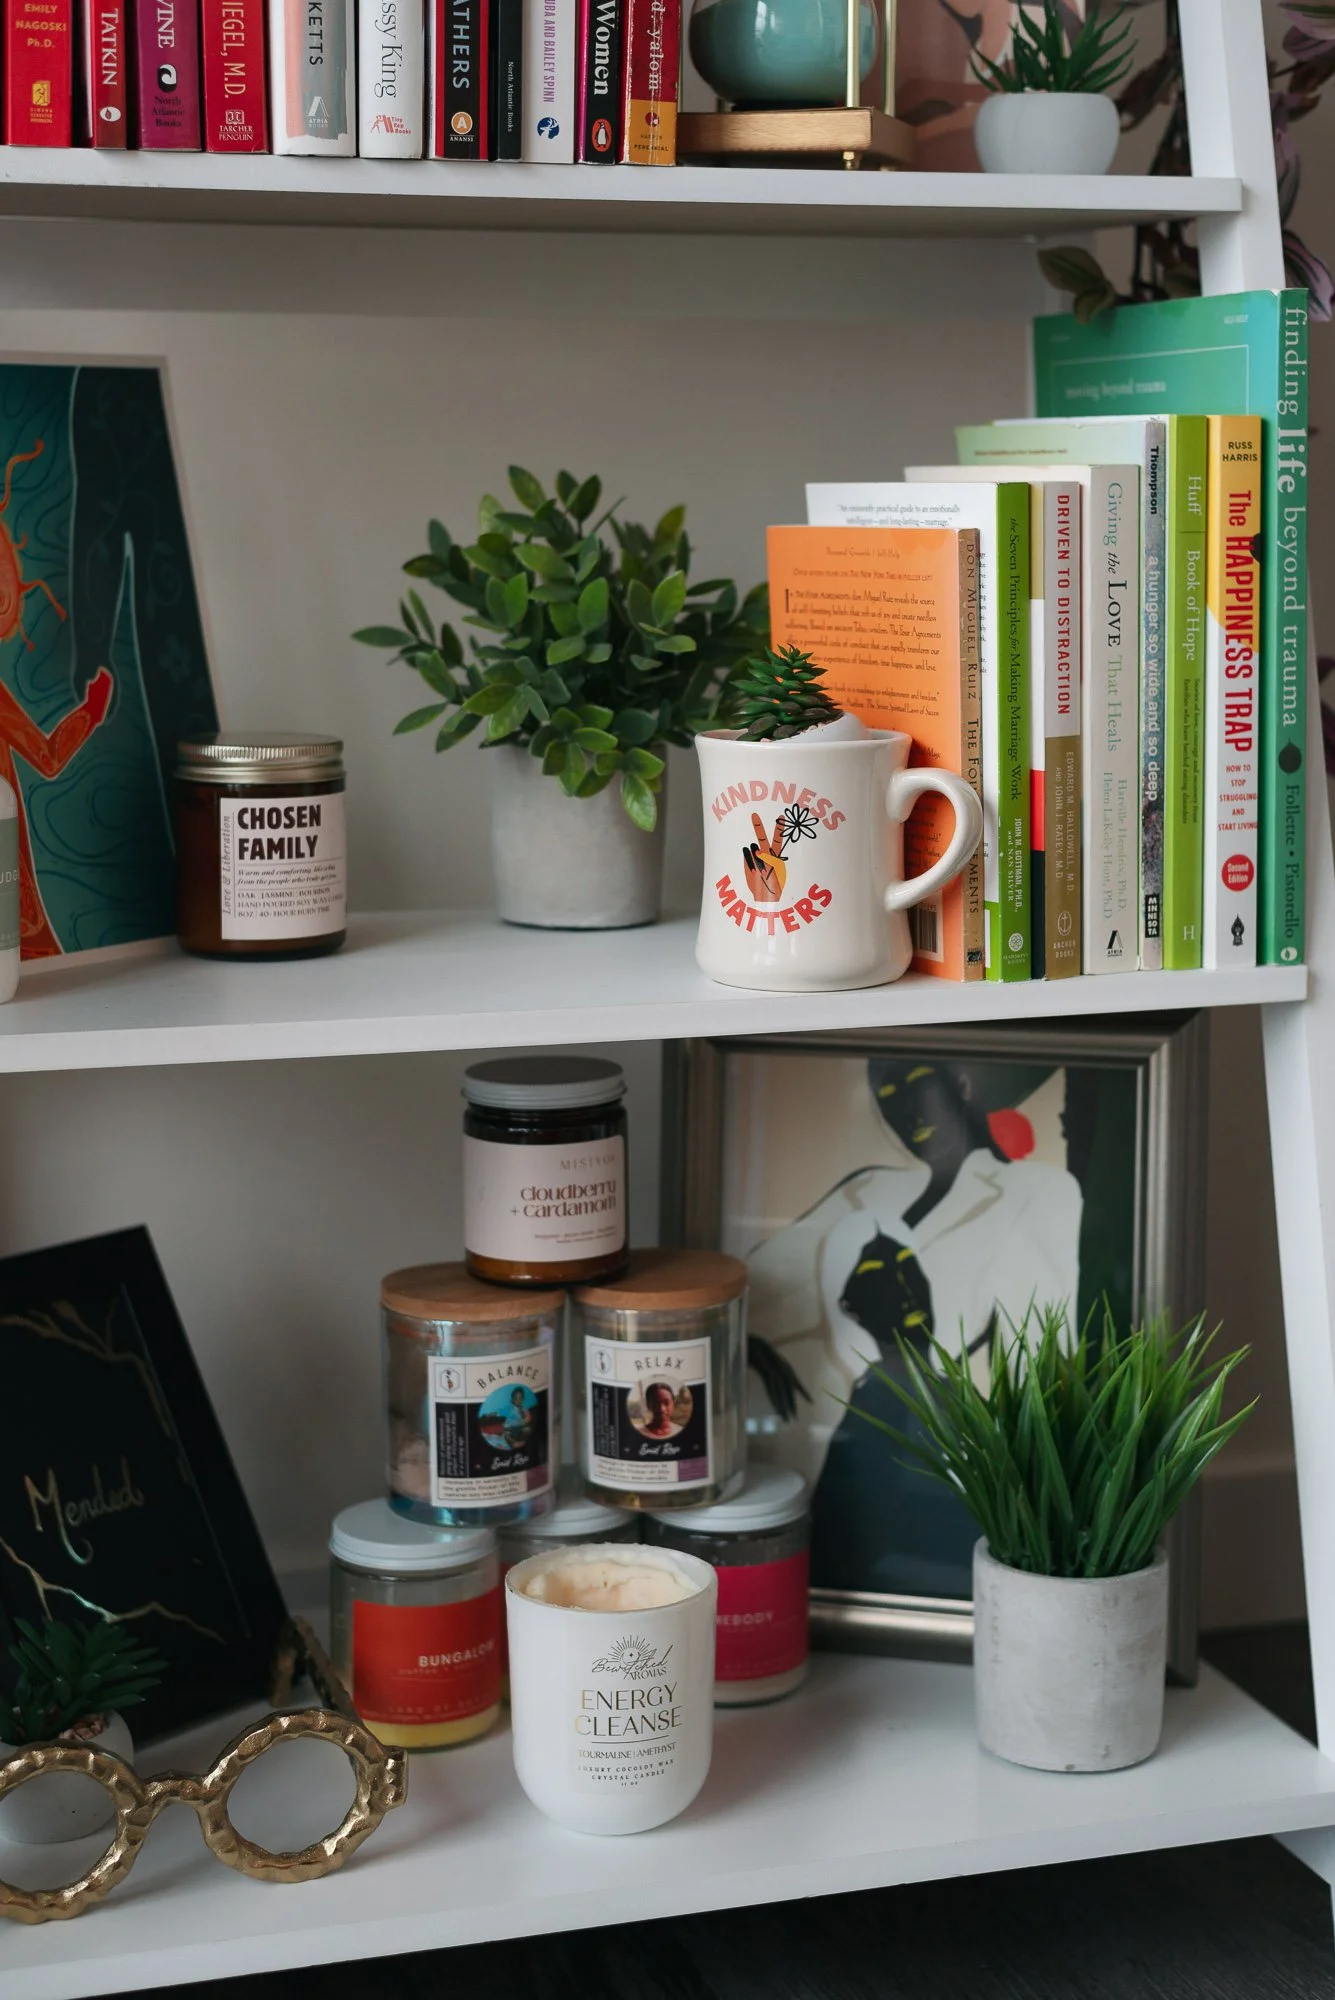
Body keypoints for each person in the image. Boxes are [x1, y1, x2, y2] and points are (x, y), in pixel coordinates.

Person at [745, 1055, 1083, 1597]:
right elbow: (752, 1283)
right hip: (832, 1417)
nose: (905, 1108)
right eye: (887, 1095)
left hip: (935, 1425)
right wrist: (743, 1345)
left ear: (963, 1081)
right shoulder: (867, 1190)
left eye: (917, 1085)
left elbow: (1040, 1356)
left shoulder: (1034, 1194)